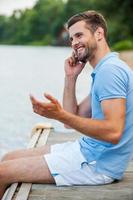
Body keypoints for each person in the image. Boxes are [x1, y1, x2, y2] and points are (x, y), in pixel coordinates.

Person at [0, 10, 133, 198]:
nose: (74, 43)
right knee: (7, 158)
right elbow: (70, 121)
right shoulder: (106, 68)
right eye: (71, 38)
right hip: (89, 150)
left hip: (97, 164)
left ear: (99, 34)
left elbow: (113, 132)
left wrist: (59, 114)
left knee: (2, 172)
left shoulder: (110, 72)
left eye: (79, 35)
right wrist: (70, 78)